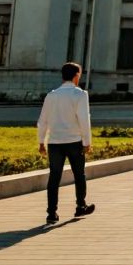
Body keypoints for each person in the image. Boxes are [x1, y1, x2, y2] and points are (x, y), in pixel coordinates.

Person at [37, 61, 95, 224]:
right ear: (76, 76)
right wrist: (87, 141)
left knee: (54, 177)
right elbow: (84, 119)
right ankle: (80, 206)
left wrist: (42, 141)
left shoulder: (51, 95)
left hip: (55, 142)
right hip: (74, 141)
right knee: (79, 175)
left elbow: (43, 120)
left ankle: (51, 213)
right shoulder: (80, 94)